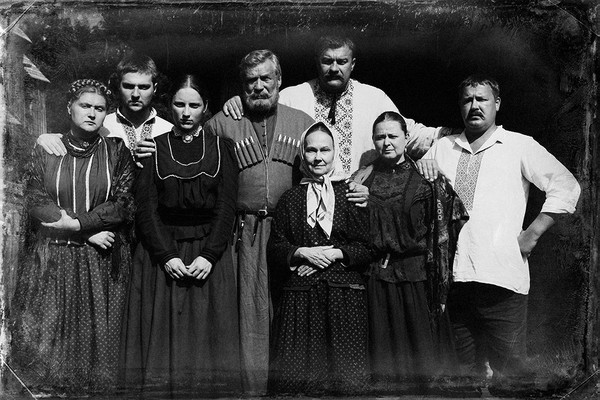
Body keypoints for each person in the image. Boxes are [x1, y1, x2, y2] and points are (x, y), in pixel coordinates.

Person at [422, 75, 581, 393]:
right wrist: (420, 167)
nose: (474, 106)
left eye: (482, 99)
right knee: (462, 376)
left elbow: (566, 185)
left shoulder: (518, 145)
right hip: (454, 282)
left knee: (511, 377)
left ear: (497, 103)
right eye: (467, 99)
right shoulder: (442, 148)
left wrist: (533, 233)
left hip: (502, 279)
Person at [10, 79, 135, 395]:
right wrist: (83, 231)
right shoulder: (48, 149)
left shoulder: (116, 151)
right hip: (52, 261)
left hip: (100, 264)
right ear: (69, 107)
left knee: (95, 358)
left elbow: (122, 204)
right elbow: (34, 199)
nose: (92, 113)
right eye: (85, 106)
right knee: (48, 352)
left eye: (99, 108)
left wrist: (79, 224)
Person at [120, 74, 241, 395]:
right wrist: (167, 255)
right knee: (162, 337)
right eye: (179, 104)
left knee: (207, 339)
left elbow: (226, 207)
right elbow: (146, 208)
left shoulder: (222, 148)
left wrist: (209, 255)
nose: (186, 112)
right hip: (163, 255)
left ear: (205, 107)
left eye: (194, 105)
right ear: (170, 106)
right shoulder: (153, 148)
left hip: (208, 255)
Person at [203, 49, 314, 395]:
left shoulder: (303, 122)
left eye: (266, 78)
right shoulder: (222, 123)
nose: (259, 86)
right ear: (242, 85)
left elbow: (322, 177)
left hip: (289, 234)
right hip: (242, 235)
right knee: (247, 313)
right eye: (251, 80)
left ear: (279, 80)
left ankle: (289, 387)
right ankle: (250, 389)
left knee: (289, 310)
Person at [351, 111, 468, 392]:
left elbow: (454, 219)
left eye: (393, 136)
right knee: (382, 361)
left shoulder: (426, 177)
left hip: (416, 279)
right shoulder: (362, 178)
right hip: (375, 279)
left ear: (406, 138)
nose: (387, 142)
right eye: (380, 137)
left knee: (422, 361)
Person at [223, 35, 453, 175]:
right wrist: (240, 102)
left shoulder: (374, 98)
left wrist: (456, 135)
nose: (334, 68)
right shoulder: (293, 96)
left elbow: (409, 135)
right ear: (317, 62)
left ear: (352, 64)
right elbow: (262, 109)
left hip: (358, 199)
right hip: (307, 202)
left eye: (341, 61)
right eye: (327, 61)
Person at [267, 122, 372, 395]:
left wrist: (333, 253)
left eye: (325, 150)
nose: (318, 157)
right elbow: (276, 246)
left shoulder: (351, 194)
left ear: (335, 152)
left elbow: (366, 247)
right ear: (303, 153)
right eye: (311, 150)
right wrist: (304, 253)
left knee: (346, 381)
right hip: (301, 297)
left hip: (343, 296)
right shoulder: (290, 198)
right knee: (297, 380)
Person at [36, 54, 173, 163]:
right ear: (118, 86)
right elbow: (71, 142)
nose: (136, 94)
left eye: (143, 87)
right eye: (128, 86)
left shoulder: (169, 130)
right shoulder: (100, 125)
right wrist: (45, 138)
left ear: (155, 88)